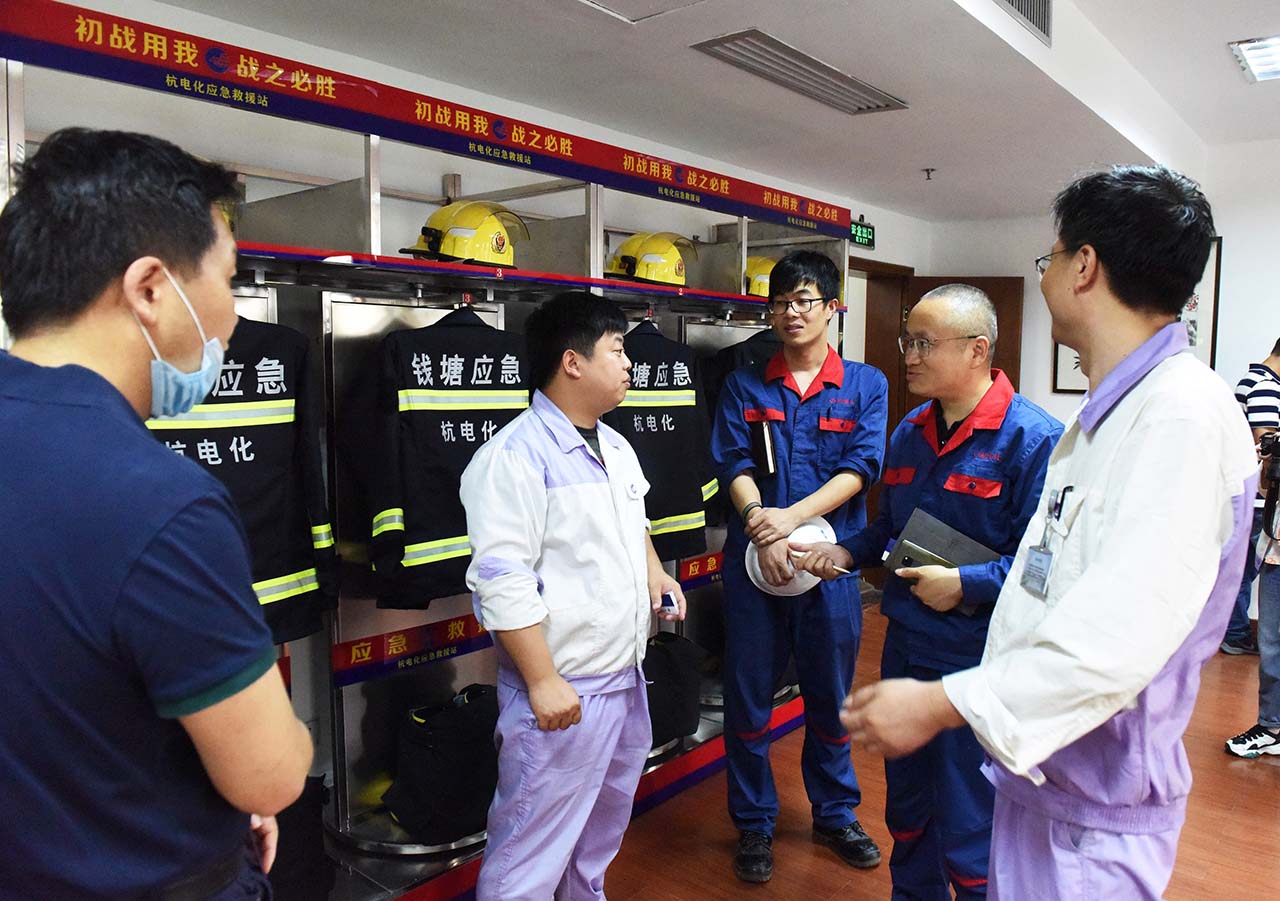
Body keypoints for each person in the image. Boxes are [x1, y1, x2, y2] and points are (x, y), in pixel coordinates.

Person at [800, 165, 1256, 899]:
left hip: (1087, 799)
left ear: (1084, 266)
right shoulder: (1105, 417)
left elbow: (1112, 642)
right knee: (919, 826)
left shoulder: (1178, 417)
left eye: (1051, 256)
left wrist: (943, 701)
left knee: (968, 846)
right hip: (1037, 758)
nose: (1044, 276)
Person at [0, 128, 313, 898]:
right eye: (227, 280)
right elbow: (269, 775)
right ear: (149, 287)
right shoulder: (159, 500)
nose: (231, 318)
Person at [794, 284, 1061, 898]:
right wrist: (845, 551)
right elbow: (891, 528)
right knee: (909, 809)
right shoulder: (911, 431)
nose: (909, 356)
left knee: (970, 819)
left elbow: (1045, 569)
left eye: (923, 343)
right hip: (909, 648)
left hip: (980, 657)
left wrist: (966, 583)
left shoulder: (1033, 439)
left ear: (977, 350)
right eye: (906, 342)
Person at [459, 291, 686, 900]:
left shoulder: (614, 445)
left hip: (623, 678)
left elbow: (634, 521)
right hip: (564, 691)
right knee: (527, 856)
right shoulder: (513, 457)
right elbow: (502, 579)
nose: (630, 363)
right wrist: (541, 681)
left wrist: (655, 574)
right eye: (617, 349)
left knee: (595, 837)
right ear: (572, 362)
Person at [709, 250, 888, 883]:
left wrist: (790, 519)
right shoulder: (745, 384)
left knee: (830, 698)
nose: (791, 313)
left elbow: (861, 468)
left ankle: (835, 813)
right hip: (755, 566)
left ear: (832, 307)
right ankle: (754, 824)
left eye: (804, 300)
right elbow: (732, 463)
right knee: (748, 700)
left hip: (830, 568)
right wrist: (762, 524)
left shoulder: (864, 384)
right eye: (780, 302)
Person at [1223, 344, 1280, 755]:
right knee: (1242, 578)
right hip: (1269, 518)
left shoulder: (1257, 382)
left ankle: (1272, 725)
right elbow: (1267, 461)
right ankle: (1272, 724)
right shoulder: (1264, 386)